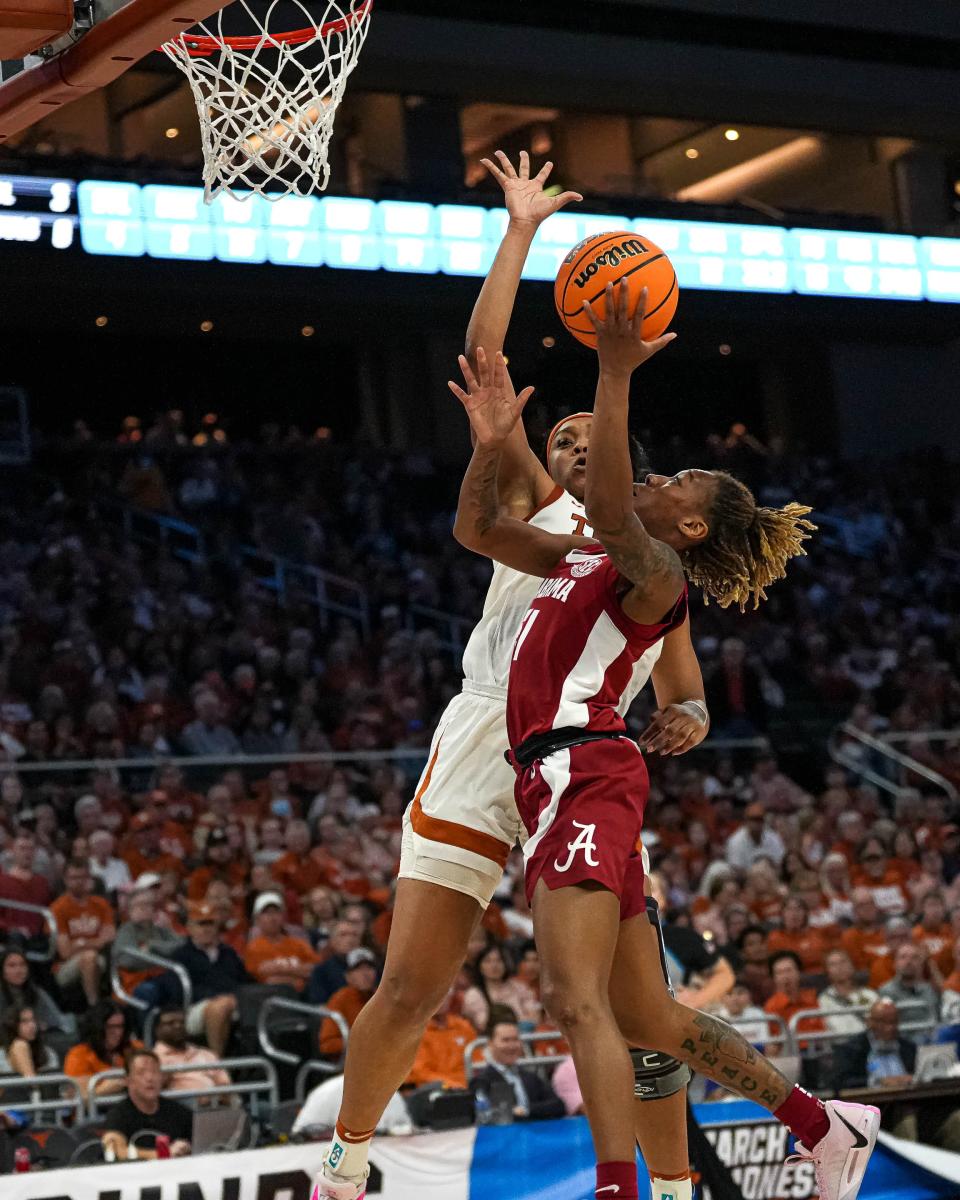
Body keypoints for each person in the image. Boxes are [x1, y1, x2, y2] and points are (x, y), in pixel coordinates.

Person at [317, 150, 723, 1200]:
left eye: (594, 432)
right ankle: (344, 1167)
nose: (579, 440)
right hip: (487, 746)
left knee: (642, 1013)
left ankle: (671, 1186)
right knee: (411, 985)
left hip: (584, 768)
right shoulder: (545, 518)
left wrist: (687, 716)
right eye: (563, 436)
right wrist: (520, 232)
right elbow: (486, 355)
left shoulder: (645, 558)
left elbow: (685, 684)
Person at [440, 304, 871, 1200]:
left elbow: (609, 503)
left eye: (677, 479)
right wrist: (489, 446)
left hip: (581, 770)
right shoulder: (586, 549)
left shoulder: (657, 570)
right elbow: (477, 535)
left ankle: (616, 1190)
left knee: (575, 1001)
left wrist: (616, 369)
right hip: (562, 780)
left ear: (692, 529)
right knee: (647, 1015)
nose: (658, 477)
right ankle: (821, 1123)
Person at [170, 901, 249, 1058]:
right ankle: (216, 1063)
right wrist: (218, 997)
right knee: (220, 1006)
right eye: (201, 924)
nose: (207, 929)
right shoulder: (181, 955)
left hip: (233, 1002)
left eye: (210, 924)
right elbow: (178, 992)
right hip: (193, 1008)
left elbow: (243, 980)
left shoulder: (228, 953)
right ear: (190, 928)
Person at [469, 1017, 565, 1122]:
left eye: (515, 1040)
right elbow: (486, 1116)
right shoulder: (481, 1081)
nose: (511, 1046)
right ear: (491, 1044)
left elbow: (558, 1106)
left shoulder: (531, 1078)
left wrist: (525, 1111)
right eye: (505, 1040)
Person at [101, 1050, 192, 1161]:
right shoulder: (118, 1115)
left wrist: (186, 1149)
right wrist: (163, 1154)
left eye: (155, 1072)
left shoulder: (179, 1111)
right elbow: (115, 1152)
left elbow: (204, 1144)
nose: (150, 1078)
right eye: (141, 1073)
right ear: (127, 1080)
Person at [50, 857, 116, 1006]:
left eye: (82, 877)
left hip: (101, 959)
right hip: (64, 967)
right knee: (89, 956)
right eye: (73, 878)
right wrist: (96, 942)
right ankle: (94, 1005)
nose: (78, 882)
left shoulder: (101, 904)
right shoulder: (58, 908)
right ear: (65, 880)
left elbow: (110, 935)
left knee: (92, 957)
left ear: (89, 879)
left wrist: (81, 943)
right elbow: (65, 952)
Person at [152, 1007, 232, 1102]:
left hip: (218, 1108)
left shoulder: (206, 1053)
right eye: (170, 1023)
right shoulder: (152, 1058)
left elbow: (225, 1084)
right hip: (181, 1112)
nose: (178, 1026)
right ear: (157, 1029)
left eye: (182, 1022)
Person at [244, 892, 319, 992]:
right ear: (257, 919)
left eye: (276, 912)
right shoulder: (253, 948)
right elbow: (265, 978)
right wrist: (297, 972)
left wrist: (278, 968)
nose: (272, 918)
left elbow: (314, 970)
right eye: (267, 913)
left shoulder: (299, 944)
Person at [405, 989, 477, 1091]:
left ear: (449, 999)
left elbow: (477, 1061)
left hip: (467, 1085)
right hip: (434, 1089)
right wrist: (451, 1084)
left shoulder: (463, 1026)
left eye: (443, 996)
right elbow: (420, 1072)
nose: (439, 1002)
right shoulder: (415, 1032)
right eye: (432, 998)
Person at [64, 1000, 135, 1101]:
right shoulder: (79, 1054)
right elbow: (78, 1099)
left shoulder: (134, 1048)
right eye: (111, 1027)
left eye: (121, 1026)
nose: (118, 1032)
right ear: (98, 1027)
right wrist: (104, 1090)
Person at [461, 943, 539, 1031]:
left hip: (526, 1035)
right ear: (480, 966)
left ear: (506, 963)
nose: (494, 965)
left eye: (499, 960)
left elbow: (535, 1017)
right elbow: (483, 1024)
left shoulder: (519, 987)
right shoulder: (474, 994)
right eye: (487, 961)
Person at [0, 948, 74, 1039]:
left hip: (38, 1042)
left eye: (22, 965)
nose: (19, 970)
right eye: (12, 966)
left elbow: (55, 1021)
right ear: (2, 971)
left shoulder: (36, 992)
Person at [318, 948, 379, 1058]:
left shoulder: (382, 997)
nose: (365, 974)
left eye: (369, 968)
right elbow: (327, 1045)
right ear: (348, 976)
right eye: (358, 969)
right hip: (350, 1063)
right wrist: (363, 1043)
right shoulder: (339, 1000)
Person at [877, 943, 940, 1037]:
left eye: (914, 957)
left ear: (921, 964)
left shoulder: (929, 990)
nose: (909, 961)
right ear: (895, 963)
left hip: (930, 1042)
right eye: (903, 957)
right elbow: (886, 1026)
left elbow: (936, 1020)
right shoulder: (886, 991)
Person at [0, 830, 52, 941]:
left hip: (39, 939)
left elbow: (48, 913)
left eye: (30, 849)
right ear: (13, 851)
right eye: (22, 848)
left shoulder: (42, 883)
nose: (27, 853)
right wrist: (11, 929)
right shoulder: (2, 882)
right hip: (10, 939)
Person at [818, 949, 877, 1037]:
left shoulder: (870, 995)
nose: (839, 967)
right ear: (827, 972)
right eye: (833, 964)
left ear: (852, 966)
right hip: (840, 1046)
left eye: (843, 961)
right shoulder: (823, 999)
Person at [725, 803, 786, 872]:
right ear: (746, 821)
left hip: (771, 877)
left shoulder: (773, 837)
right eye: (753, 820)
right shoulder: (735, 841)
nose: (757, 823)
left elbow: (781, 863)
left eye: (760, 820)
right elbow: (736, 870)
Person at [0, 1003, 58, 1076]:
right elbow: (31, 1082)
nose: (31, 1025)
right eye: (24, 1021)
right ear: (12, 1025)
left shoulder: (48, 1053)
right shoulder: (17, 1047)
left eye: (33, 1020)